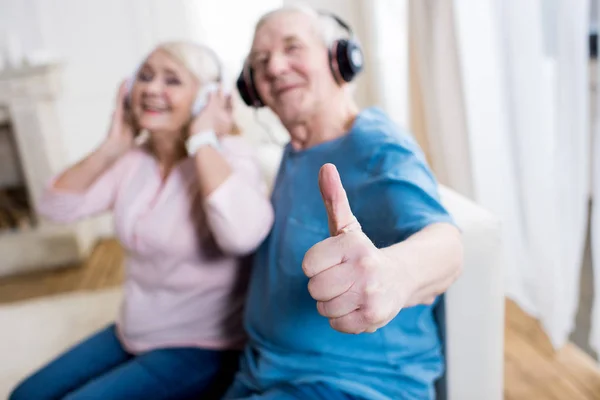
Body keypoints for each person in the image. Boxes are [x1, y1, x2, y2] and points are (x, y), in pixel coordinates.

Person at [9, 41, 274, 400]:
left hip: (205, 345)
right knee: (27, 394)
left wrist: (202, 139)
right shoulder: (134, 161)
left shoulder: (230, 158)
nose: (151, 88)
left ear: (209, 98)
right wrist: (112, 146)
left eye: (172, 80)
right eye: (145, 77)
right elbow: (55, 208)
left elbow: (242, 236)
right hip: (136, 330)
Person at [225, 5, 464, 400]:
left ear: (339, 60)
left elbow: (448, 246)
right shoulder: (295, 151)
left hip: (352, 384)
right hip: (262, 372)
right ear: (252, 89)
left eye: (292, 48)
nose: (274, 67)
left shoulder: (376, 143)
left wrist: (396, 273)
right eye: (260, 61)